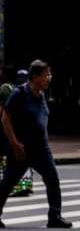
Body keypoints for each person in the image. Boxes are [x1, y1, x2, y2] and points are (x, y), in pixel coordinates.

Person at [0, 60, 72, 228]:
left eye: (50, 74)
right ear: (35, 77)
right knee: (8, 183)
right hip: (22, 149)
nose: (49, 78)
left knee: (52, 179)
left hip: (41, 149)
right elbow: (5, 119)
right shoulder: (19, 94)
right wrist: (15, 144)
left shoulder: (42, 94)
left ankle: (54, 216)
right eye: (46, 74)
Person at [0, 69, 34, 198]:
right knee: (22, 156)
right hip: (24, 131)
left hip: (8, 130)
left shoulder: (6, 89)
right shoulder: (30, 91)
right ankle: (24, 185)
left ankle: (15, 186)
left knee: (8, 156)